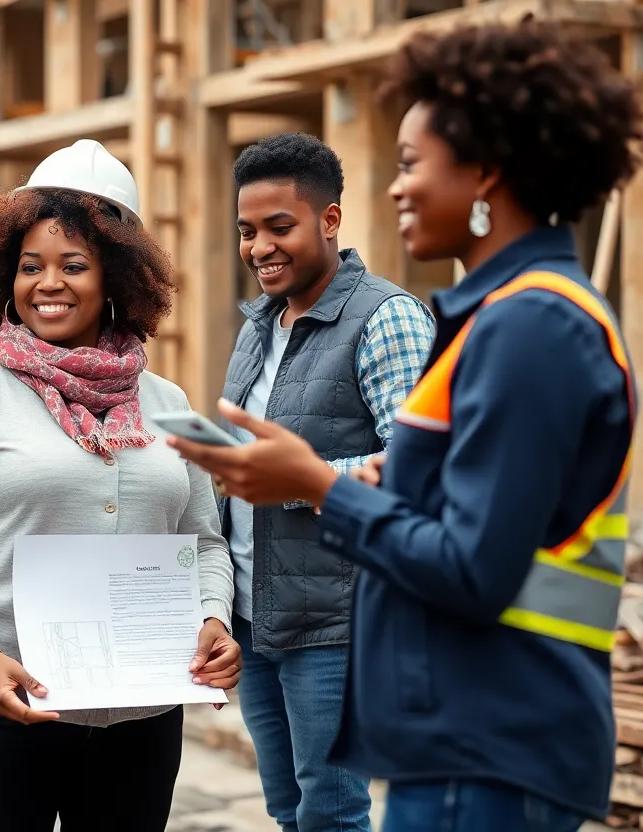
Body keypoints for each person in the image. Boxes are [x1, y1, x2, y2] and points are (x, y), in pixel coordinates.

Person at [168, 17, 643, 831]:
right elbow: (469, 503)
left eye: (408, 165)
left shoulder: (532, 325)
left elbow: (474, 566)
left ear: (487, 173)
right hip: (469, 725)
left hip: (495, 732)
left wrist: (318, 482)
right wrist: (373, 477)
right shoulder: (497, 318)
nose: (393, 189)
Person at [0, 139, 241, 832]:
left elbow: (204, 543)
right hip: (1, 711)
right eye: (30, 267)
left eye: (73, 265)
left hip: (141, 717)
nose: (48, 283)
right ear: (5, 275)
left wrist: (215, 618)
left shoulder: (168, 403)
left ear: (117, 274)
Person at [216, 133, 435, 831]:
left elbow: (418, 468)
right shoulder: (258, 327)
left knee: (332, 813)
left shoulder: (386, 317)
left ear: (330, 220)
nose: (259, 248)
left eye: (279, 227)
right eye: (247, 231)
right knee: (288, 808)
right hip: (256, 617)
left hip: (339, 622)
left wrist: (291, 478)